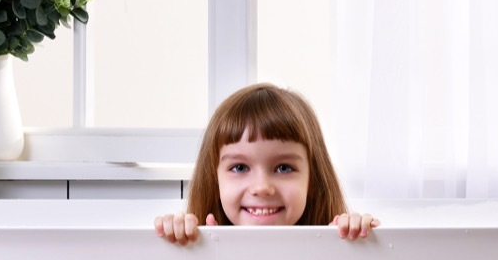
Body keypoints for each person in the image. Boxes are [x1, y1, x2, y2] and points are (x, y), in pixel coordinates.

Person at [154, 83, 378, 245]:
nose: (261, 187)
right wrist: (184, 243)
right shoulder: (196, 241)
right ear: (215, 181)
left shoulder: (334, 242)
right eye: (240, 168)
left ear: (313, 180)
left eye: (283, 168)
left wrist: (351, 240)